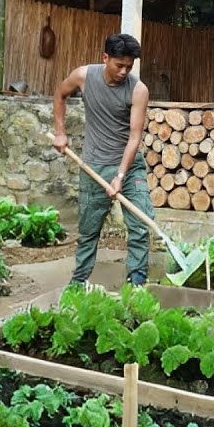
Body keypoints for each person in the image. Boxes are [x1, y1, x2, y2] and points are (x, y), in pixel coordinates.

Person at [51, 33, 153, 287]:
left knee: (140, 223)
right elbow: (59, 94)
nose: (123, 71)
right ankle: (78, 281)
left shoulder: (138, 90)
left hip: (128, 167)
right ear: (105, 58)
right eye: (119, 65)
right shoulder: (84, 76)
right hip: (93, 165)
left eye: (129, 67)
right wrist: (60, 132)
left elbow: (134, 137)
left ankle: (136, 281)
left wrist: (119, 176)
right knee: (88, 231)